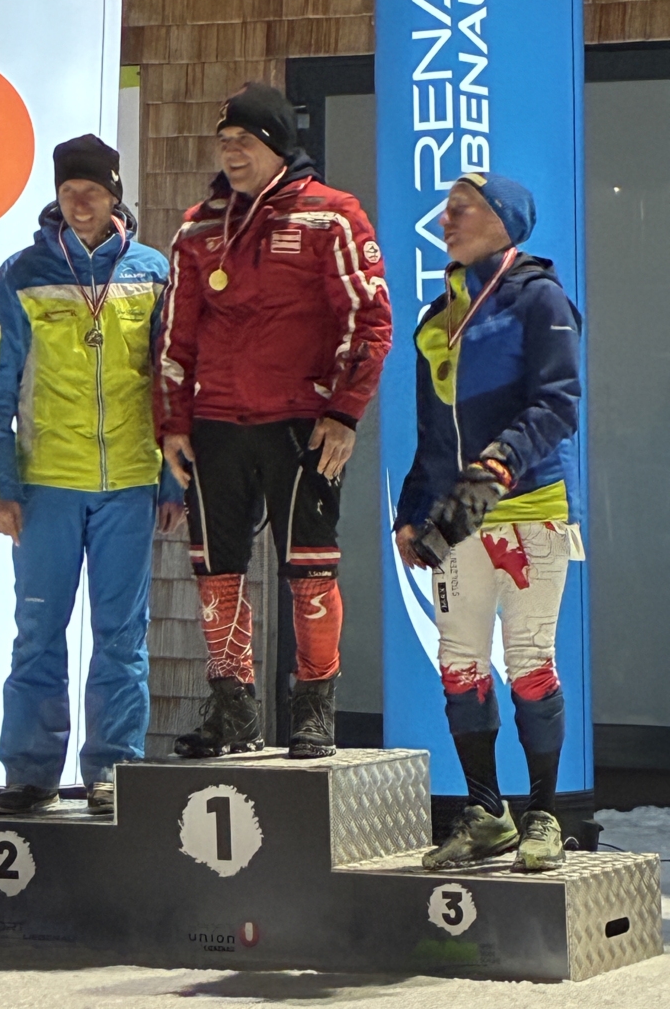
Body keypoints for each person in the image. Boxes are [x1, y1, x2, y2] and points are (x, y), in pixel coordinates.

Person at [156, 82, 392, 759]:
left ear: (279, 145)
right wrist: (173, 425)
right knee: (215, 569)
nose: (232, 153)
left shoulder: (332, 216)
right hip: (214, 424)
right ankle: (233, 710)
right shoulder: (198, 228)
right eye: (224, 142)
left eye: (246, 142)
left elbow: (370, 321)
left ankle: (314, 711)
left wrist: (344, 413)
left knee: (310, 569)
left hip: (302, 423)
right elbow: (174, 337)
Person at [0, 134, 184, 817]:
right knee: (38, 631)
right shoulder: (23, 273)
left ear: (115, 194)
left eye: (92, 190)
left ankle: (113, 771)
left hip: (130, 482)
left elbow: (171, 384)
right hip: (46, 486)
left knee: (122, 636)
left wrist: (173, 482)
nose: (80, 202)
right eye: (69, 191)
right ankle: (30, 772)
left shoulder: (152, 272)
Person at [394, 173, 583, 872]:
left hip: (528, 508)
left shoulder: (540, 298)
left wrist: (499, 466)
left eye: (462, 209)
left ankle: (544, 815)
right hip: (455, 515)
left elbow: (559, 402)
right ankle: (487, 814)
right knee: (459, 661)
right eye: (445, 209)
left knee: (530, 660)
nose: (446, 220)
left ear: (504, 221)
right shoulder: (438, 314)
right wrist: (414, 510)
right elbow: (432, 433)